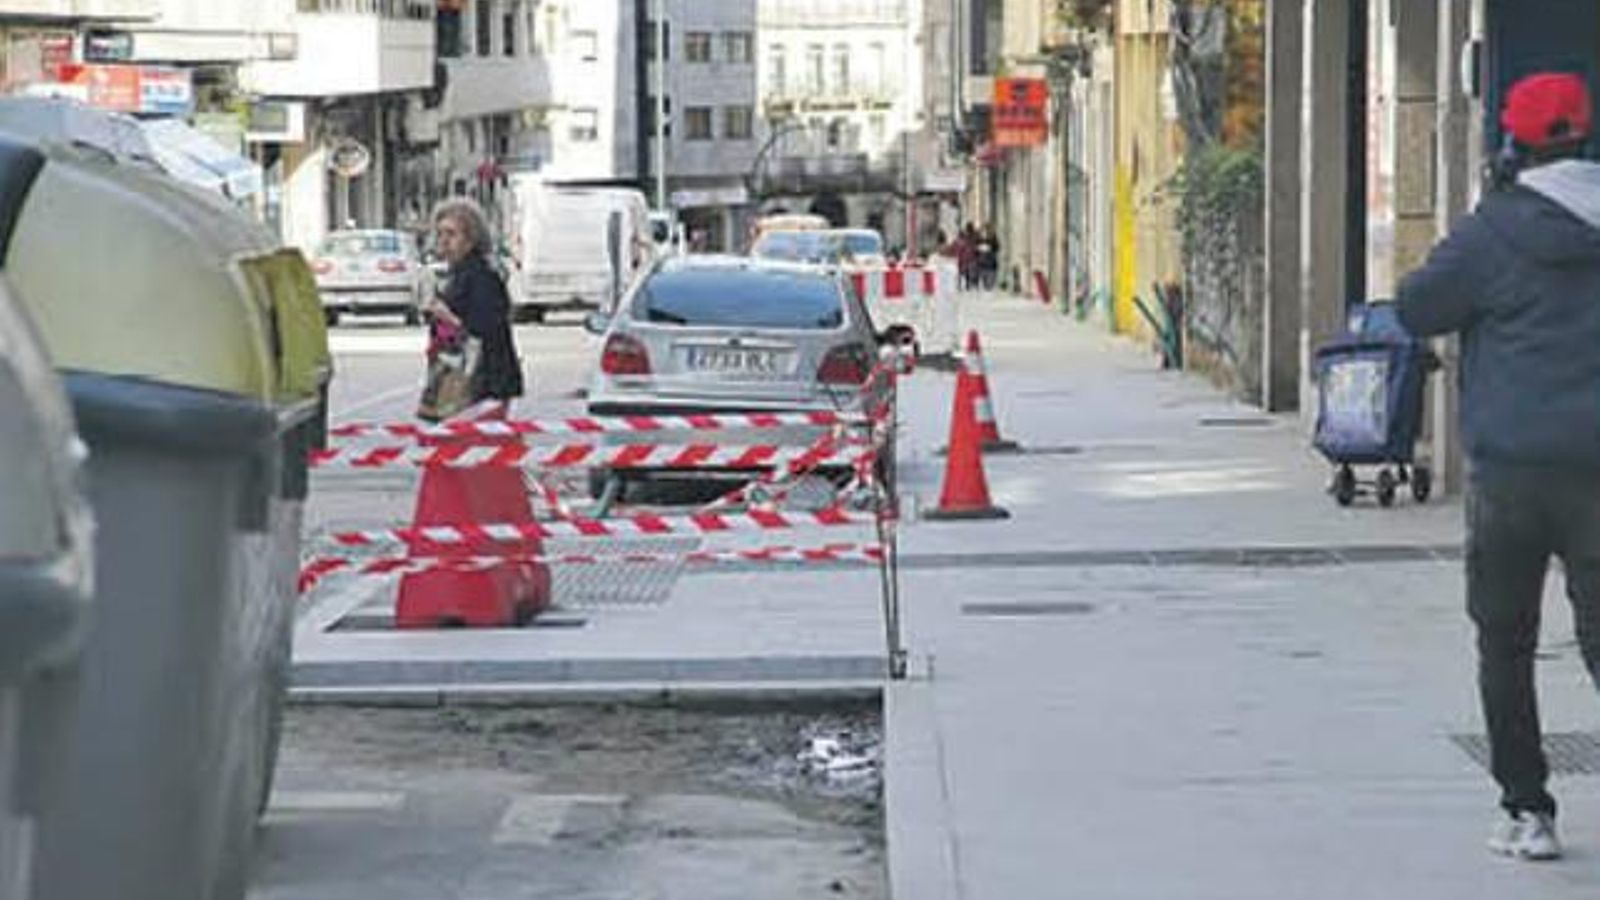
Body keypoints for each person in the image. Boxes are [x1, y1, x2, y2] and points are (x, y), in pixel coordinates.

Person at [1396, 72, 1600, 862]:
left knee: (1506, 642)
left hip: (1512, 471)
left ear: (1513, 141)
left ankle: (1528, 811)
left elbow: (1417, 306)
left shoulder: (1494, 231)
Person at [425, 197, 524, 403]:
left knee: (477, 434)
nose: (444, 240)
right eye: (440, 233)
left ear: (471, 238)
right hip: (455, 377)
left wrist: (448, 316)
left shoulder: (481, 274)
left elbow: (487, 327)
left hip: (482, 382)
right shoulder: (456, 272)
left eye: (451, 234)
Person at [977, 224, 1000, 291]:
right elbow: (976, 248)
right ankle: (987, 287)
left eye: (988, 230)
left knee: (990, 282)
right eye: (985, 230)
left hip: (990, 262)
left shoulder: (993, 238)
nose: (986, 232)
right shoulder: (980, 238)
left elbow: (997, 247)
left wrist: (989, 248)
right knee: (985, 281)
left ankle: (989, 288)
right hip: (983, 262)